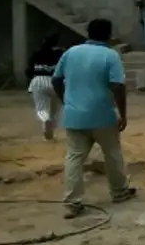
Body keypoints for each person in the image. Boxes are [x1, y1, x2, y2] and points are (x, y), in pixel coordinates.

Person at [52, 18, 135, 219]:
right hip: (102, 115)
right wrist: (123, 114)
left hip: (74, 116)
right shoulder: (110, 55)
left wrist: (66, 100)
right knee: (112, 152)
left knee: (74, 157)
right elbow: (118, 86)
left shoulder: (71, 52)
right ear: (109, 35)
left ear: (88, 33)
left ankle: (72, 203)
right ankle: (119, 192)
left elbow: (56, 79)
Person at [26, 33, 65, 141]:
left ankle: (46, 120)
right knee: (56, 109)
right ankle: (50, 131)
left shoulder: (36, 52)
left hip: (39, 80)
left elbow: (28, 71)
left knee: (41, 108)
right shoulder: (61, 53)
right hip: (56, 81)